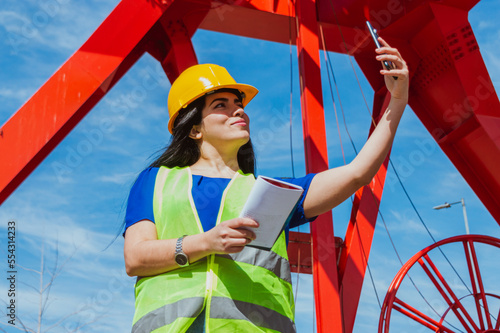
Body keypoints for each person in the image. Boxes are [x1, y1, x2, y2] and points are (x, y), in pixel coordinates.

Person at [123, 37, 409, 333]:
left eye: (239, 104)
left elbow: (357, 174)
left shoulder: (274, 193)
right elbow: (135, 258)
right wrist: (207, 243)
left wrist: (398, 101)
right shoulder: (155, 182)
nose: (238, 111)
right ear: (194, 128)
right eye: (221, 105)